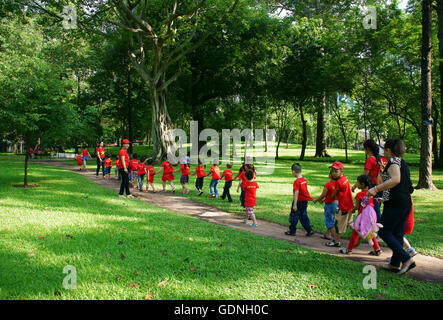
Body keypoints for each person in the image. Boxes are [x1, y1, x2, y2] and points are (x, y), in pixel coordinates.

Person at [367, 139, 415, 275]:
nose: (382, 151)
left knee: (384, 231)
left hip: (396, 205)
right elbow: (405, 186)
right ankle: (395, 263)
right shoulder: (402, 163)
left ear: (389, 150)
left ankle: (406, 259)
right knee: (398, 233)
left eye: (384, 149)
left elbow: (395, 180)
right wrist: (386, 197)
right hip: (405, 203)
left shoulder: (393, 162)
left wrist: (376, 189)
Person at [340, 175, 381, 256]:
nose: (356, 184)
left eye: (358, 183)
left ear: (362, 184)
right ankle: (377, 250)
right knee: (371, 232)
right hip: (371, 217)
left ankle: (349, 250)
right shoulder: (371, 193)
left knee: (355, 233)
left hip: (362, 218)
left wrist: (352, 210)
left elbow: (357, 207)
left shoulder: (359, 195)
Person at [352, 139, 387, 222]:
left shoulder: (370, 159)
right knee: (374, 207)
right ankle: (371, 225)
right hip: (381, 186)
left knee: (373, 208)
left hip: (373, 188)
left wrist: (354, 186)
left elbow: (364, 176)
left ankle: (378, 228)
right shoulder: (379, 159)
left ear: (367, 148)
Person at [326, 161, 354, 248]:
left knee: (337, 224)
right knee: (350, 223)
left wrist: (328, 198)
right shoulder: (345, 179)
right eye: (332, 171)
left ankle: (337, 241)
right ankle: (360, 234)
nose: (333, 173)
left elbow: (334, 194)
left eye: (336, 171)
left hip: (343, 206)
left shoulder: (338, 182)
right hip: (349, 205)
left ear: (341, 171)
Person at [285, 163, 314, 237]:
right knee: (303, 215)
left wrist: (294, 204)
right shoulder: (304, 180)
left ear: (293, 171)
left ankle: (292, 231)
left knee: (294, 216)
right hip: (304, 202)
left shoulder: (297, 182)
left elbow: (296, 192)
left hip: (298, 201)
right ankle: (309, 230)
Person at [313, 171, 338, 241]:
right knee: (332, 220)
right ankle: (328, 234)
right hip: (337, 204)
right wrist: (324, 199)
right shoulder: (338, 184)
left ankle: (336, 240)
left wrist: (317, 200)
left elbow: (323, 194)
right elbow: (331, 195)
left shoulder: (328, 185)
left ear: (330, 175)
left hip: (330, 205)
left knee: (330, 222)